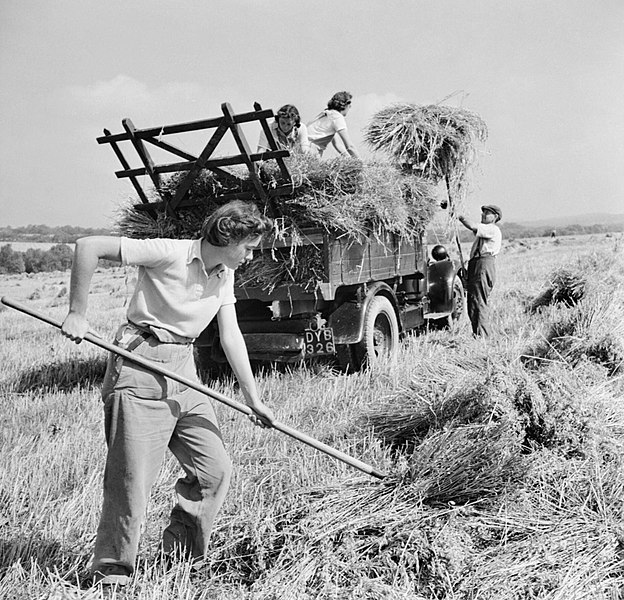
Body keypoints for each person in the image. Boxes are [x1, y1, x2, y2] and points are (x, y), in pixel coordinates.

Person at [61, 200, 276, 589]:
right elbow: (88, 245)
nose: (250, 255)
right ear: (228, 236)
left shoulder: (223, 275)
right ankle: (113, 571)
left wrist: (253, 399)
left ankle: (180, 558)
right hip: (141, 364)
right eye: (247, 247)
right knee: (131, 480)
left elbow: (230, 336)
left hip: (184, 371)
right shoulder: (169, 252)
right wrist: (77, 311)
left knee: (214, 471)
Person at [458, 205, 503, 336]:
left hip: (484, 265)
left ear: (495, 217)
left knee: (478, 301)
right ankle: (477, 333)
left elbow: (473, 226)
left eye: (487, 214)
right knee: (472, 301)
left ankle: (483, 336)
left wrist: (460, 217)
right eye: (482, 213)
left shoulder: (492, 229)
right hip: (477, 264)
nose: (483, 215)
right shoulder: (484, 232)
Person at [306, 91, 360, 159]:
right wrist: (362, 164)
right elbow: (349, 147)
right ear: (345, 105)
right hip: (310, 149)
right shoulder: (337, 117)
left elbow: (337, 145)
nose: (350, 107)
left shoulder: (328, 114)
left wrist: (349, 159)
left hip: (303, 147)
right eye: (349, 105)